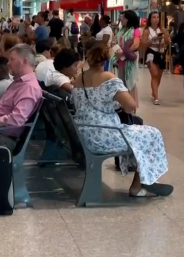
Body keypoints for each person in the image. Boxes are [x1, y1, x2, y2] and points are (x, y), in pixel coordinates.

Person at [71, 43, 172, 197]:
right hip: (106, 135)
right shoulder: (108, 78)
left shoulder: (79, 79)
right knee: (152, 133)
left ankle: (146, 176)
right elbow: (131, 106)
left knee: (138, 133)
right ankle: (140, 183)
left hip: (84, 133)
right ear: (106, 60)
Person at [111, 10, 141, 107]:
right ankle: (123, 104)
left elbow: (136, 44)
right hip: (121, 59)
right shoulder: (122, 30)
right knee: (122, 81)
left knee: (130, 82)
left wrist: (125, 52)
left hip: (129, 60)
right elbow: (116, 41)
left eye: (123, 17)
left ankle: (131, 106)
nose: (121, 19)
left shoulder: (135, 30)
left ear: (128, 19)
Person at [144, 12, 169, 104]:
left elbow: (167, 41)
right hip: (151, 52)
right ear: (150, 19)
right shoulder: (147, 30)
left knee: (159, 76)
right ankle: (156, 97)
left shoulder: (162, 29)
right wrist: (152, 40)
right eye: (154, 17)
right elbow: (143, 44)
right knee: (154, 74)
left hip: (161, 53)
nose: (156, 19)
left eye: (157, 17)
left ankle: (154, 92)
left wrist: (165, 36)